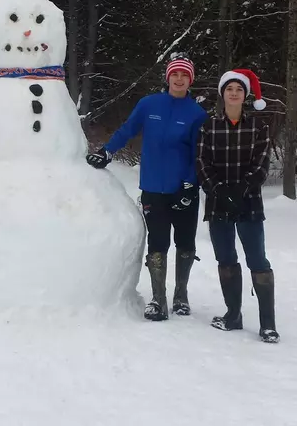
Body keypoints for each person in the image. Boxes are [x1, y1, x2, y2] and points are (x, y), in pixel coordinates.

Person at [86, 52, 208, 321]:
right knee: (158, 242)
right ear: (167, 77)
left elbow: (199, 153)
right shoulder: (149, 104)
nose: (179, 79)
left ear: (190, 81)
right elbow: (128, 130)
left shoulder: (197, 114)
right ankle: (158, 299)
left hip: (184, 187)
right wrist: (106, 153)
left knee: (185, 242)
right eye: (175, 74)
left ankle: (181, 295)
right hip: (154, 187)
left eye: (184, 75)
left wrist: (190, 185)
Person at [196, 68, 279, 343]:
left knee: (257, 259)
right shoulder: (208, 126)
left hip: (249, 201)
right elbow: (201, 162)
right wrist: (218, 190)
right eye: (229, 89)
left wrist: (242, 188)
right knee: (226, 258)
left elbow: (262, 163)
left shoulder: (259, 127)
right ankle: (233, 315)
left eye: (239, 90)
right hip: (218, 202)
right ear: (223, 94)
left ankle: (268, 324)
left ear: (245, 96)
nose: (234, 93)